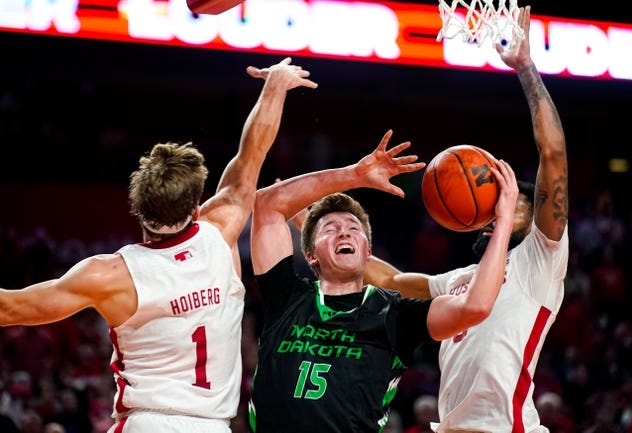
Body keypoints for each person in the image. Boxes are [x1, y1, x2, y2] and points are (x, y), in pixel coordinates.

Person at [0, 57, 317, 433]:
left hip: (146, 423)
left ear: (137, 209)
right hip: (212, 425)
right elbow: (252, 153)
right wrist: (275, 85)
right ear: (197, 206)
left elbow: (13, 308)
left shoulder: (110, 274)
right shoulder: (221, 230)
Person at [364, 6, 569, 432]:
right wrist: (308, 216)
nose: (497, 214)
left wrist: (526, 67)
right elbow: (388, 280)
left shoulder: (539, 261)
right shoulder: (459, 279)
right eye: (492, 209)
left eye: (510, 210)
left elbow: (552, 154)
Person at [247, 129, 520, 432]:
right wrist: (355, 174)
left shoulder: (394, 314)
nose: (344, 231)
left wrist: (505, 220)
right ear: (310, 255)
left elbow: (476, 306)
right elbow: (267, 205)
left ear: (368, 254)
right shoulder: (286, 297)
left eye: (353, 227)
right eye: (330, 228)